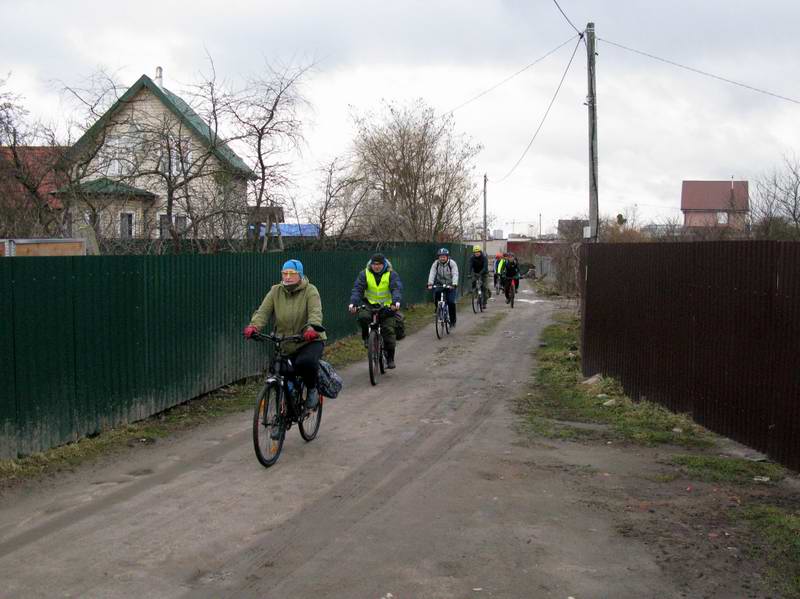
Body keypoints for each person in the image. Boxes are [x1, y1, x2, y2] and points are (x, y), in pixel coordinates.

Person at [243, 259, 326, 409]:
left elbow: (315, 313)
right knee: (279, 370)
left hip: (308, 340)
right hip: (284, 341)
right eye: (284, 273)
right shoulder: (275, 291)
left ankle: (312, 389)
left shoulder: (310, 290)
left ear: (300, 275)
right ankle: (280, 418)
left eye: (291, 273)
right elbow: (263, 312)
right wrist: (254, 326)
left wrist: (311, 329)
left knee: (305, 363)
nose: (287, 277)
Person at [349, 253, 404, 369]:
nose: (376, 266)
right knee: (363, 317)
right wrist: (353, 303)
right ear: (371, 264)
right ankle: (366, 337)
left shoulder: (391, 274)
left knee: (388, 329)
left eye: (379, 264)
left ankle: (390, 358)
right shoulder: (364, 274)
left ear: (384, 264)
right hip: (369, 304)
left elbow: (396, 288)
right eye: (374, 264)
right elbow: (358, 289)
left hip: (387, 306)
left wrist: (396, 302)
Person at [427, 247, 459, 328]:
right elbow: (432, 273)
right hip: (440, 283)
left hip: (450, 284)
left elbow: (455, 273)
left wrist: (454, 284)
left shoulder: (452, 263)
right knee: (436, 294)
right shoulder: (436, 263)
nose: (442, 258)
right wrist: (430, 283)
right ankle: (437, 309)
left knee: (451, 302)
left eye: (444, 256)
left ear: (447, 257)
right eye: (440, 256)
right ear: (438, 257)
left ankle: (452, 321)